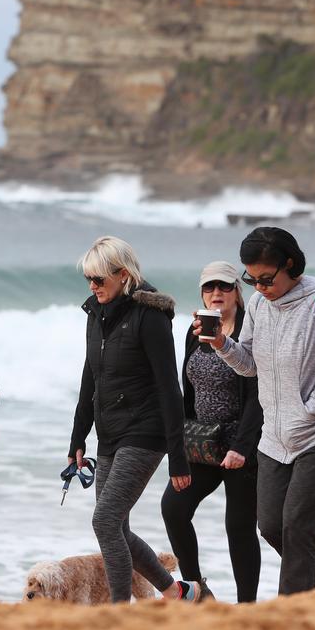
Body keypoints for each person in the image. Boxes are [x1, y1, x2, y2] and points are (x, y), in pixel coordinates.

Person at [198, 227, 315, 595]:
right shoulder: (257, 305)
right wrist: (222, 343)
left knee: (297, 527)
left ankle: (290, 612)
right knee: (271, 525)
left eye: (267, 279)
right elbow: (249, 365)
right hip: (274, 437)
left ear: (290, 265)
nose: (259, 288)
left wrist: (307, 411)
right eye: (251, 280)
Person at [68, 236, 205, 603]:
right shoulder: (96, 313)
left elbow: (169, 389)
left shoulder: (150, 316)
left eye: (99, 279)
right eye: (88, 279)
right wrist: (78, 437)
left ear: (123, 275)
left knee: (104, 521)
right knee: (117, 528)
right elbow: (90, 377)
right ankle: (178, 593)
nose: (92, 287)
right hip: (110, 432)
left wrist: (178, 456)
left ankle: (119, 610)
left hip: (146, 432)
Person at [161, 261, 262, 603]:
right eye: (209, 288)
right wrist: (181, 445)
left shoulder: (251, 331)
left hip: (240, 446)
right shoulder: (197, 332)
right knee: (174, 508)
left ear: (238, 291)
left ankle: (247, 605)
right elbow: (186, 392)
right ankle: (196, 591)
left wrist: (243, 447)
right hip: (203, 444)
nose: (216, 293)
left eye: (224, 287)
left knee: (239, 526)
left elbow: (257, 396)